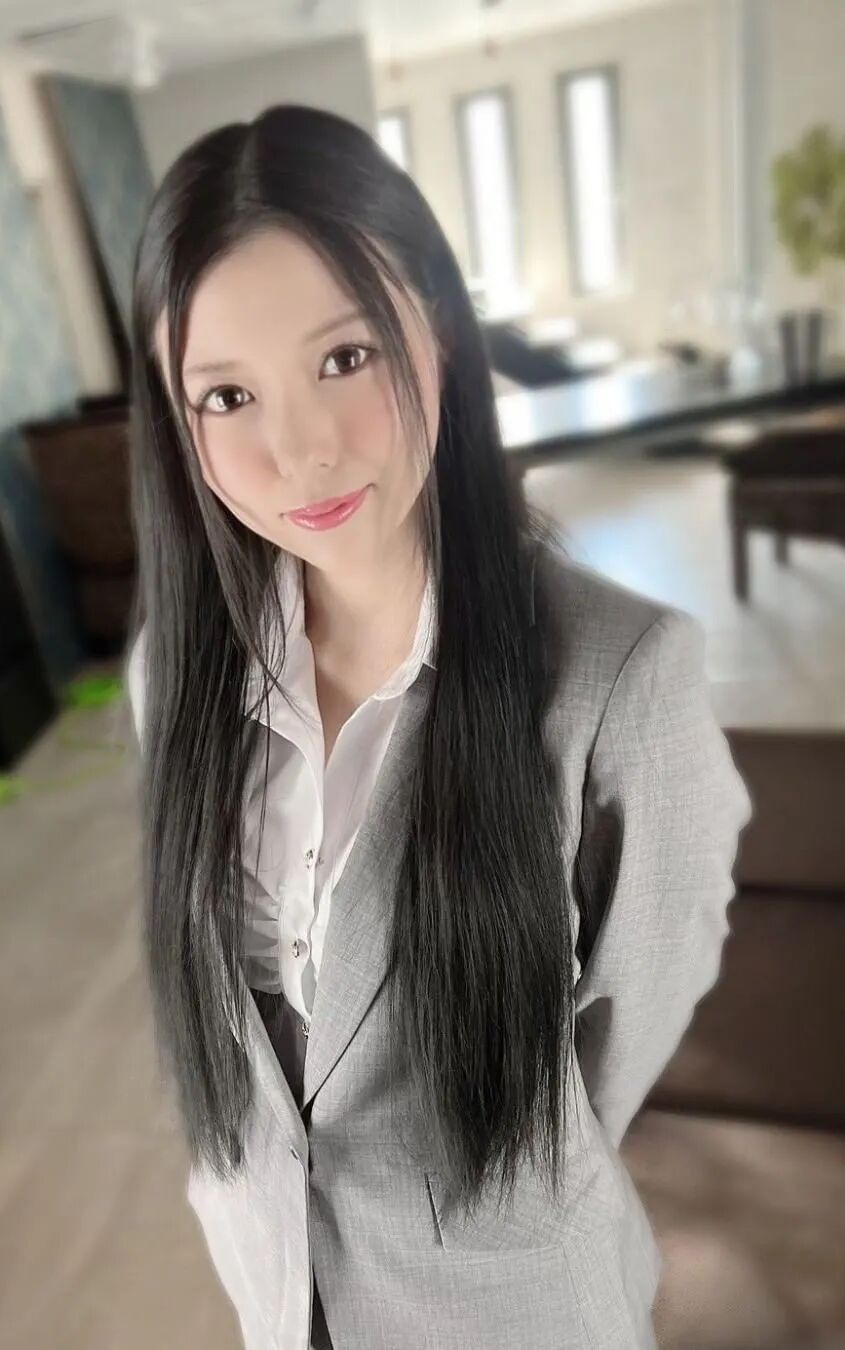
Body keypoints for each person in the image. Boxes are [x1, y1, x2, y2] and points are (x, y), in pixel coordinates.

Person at [124, 103, 753, 1350]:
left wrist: (514, 1178)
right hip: (277, 1291)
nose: (300, 450)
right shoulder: (174, 678)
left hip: (516, 1303)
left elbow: (638, 1008)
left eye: (345, 358)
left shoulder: (621, 675)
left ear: (441, 336)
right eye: (228, 395)